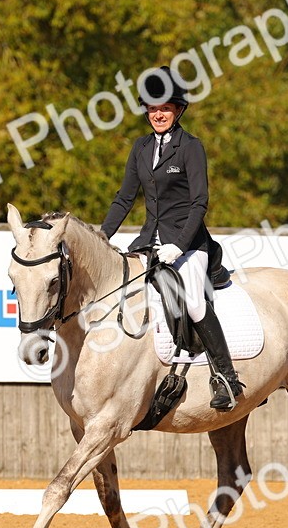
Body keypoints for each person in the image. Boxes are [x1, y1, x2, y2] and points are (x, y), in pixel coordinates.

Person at [100, 66, 245, 411]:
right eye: (152, 109)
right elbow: (124, 198)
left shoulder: (190, 147)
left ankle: (226, 377)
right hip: (148, 241)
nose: (158, 115)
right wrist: (102, 237)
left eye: (165, 108)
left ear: (178, 110)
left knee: (193, 300)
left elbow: (199, 203)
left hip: (189, 244)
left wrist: (179, 245)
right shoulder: (140, 147)